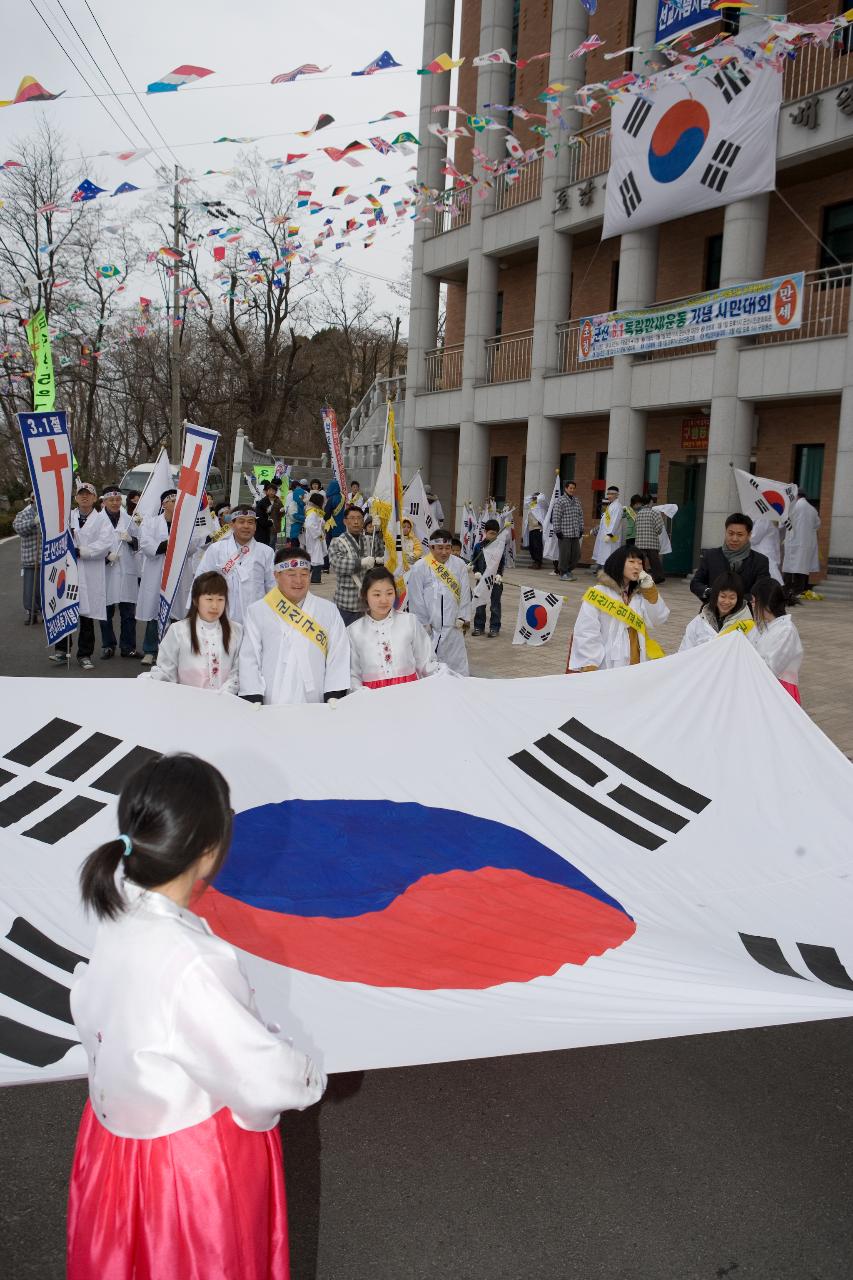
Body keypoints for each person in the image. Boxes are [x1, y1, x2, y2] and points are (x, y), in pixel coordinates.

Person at [67, 754, 325, 1280]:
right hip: (185, 1171)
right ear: (209, 852)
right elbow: (260, 1078)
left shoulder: (120, 917)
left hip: (112, 1147)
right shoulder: (194, 961)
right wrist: (307, 1077)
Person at [239, 546, 351, 705]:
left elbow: (338, 653)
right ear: (276, 575)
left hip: (316, 701)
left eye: (304, 574)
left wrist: (334, 693)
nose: (298, 581)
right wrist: (253, 695)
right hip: (270, 700)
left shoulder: (328, 610)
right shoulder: (257, 611)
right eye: (291, 575)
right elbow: (249, 657)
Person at [568, 545, 669, 672]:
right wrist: (590, 663)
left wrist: (650, 590)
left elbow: (658, 618)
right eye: (631, 561)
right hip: (607, 662)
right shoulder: (599, 592)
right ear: (619, 563)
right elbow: (586, 630)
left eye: (640, 563)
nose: (637, 566)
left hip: (635, 660)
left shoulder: (638, 595)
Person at [142, 571, 242, 692]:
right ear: (195, 600)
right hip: (187, 703)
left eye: (220, 599)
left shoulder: (236, 631)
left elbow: (238, 671)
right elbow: (166, 672)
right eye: (209, 599)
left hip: (225, 702)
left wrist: (222, 695)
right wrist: (147, 681)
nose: (215, 606)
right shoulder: (178, 631)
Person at [136, 489, 204, 666]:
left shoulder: (187, 524)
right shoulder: (150, 523)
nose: (175, 504)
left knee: (178, 613)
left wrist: (179, 545)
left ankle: (177, 650)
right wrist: (166, 545)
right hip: (157, 572)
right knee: (155, 612)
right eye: (171, 501)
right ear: (164, 504)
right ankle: (150, 650)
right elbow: (145, 544)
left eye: (177, 501)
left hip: (179, 574)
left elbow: (193, 547)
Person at [52, 482, 113, 670]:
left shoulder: (102, 520)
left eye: (89, 494)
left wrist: (82, 551)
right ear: (76, 498)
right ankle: (62, 650)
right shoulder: (67, 517)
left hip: (90, 571)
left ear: (95, 498)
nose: (85, 497)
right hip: (68, 571)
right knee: (65, 609)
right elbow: (56, 537)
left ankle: (84, 654)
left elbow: (105, 543)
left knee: (87, 615)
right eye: (81, 494)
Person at [348, 566, 441, 689]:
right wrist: (362, 694)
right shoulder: (354, 631)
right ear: (365, 595)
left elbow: (425, 661)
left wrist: (442, 678)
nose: (384, 600)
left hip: (410, 693)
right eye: (376, 594)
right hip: (372, 699)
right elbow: (353, 674)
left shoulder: (409, 621)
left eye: (389, 593)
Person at [193, 504, 275, 626]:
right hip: (221, 619)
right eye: (241, 522)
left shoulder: (266, 552)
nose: (246, 526)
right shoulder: (216, 549)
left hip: (256, 621)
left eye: (250, 522)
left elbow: (272, 586)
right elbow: (200, 582)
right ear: (232, 524)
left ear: (255, 526)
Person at [407, 529, 472, 676]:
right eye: (440, 548)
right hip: (430, 628)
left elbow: (465, 593)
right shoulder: (420, 566)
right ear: (431, 548)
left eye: (447, 548)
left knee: (457, 667)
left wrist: (463, 617)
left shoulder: (459, 564)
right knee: (429, 667)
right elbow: (416, 598)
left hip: (454, 626)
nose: (444, 552)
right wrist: (422, 623)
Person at [690, 512, 772, 603]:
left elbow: (762, 590)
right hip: (712, 611)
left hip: (746, 614)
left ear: (749, 535)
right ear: (725, 532)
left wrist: (735, 599)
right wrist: (709, 592)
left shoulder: (760, 561)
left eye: (740, 534)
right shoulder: (711, 555)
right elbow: (695, 583)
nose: (734, 539)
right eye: (731, 533)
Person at [100, 483, 140, 659]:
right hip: (106, 570)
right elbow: (90, 545)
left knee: (128, 613)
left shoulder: (129, 519)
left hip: (127, 570)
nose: (115, 503)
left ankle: (128, 647)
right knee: (106, 612)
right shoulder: (97, 520)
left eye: (117, 499)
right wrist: (105, 555)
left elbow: (141, 543)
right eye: (111, 500)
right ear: (104, 501)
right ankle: (108, 646)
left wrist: (131, 539)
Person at [752, 578, 804, 702]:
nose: (752, 605)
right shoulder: (762, 625)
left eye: (754, 601)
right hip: (762, 684)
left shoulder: (786, 630)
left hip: (779, 689)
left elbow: (772, 667)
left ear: (765, 603)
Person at [679, 572, 756, 650]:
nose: (726, 601)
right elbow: (684, 653)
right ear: (715, 595)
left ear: (738, 599)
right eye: (723, 596)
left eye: (732, 598)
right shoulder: (699, 622)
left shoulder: (747, 626)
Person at [329, 504, 376, 626]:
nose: (356, 522)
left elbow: (382, 558)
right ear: (345, 521)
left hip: (368, 601)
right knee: (346, 639)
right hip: (347, 601)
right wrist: (362, 562)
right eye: (352, 518)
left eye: (359, 518)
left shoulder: (370, 540)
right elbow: (338, 565)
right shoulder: (337, 542)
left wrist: (381, 529)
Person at [782, 490, 821, 596]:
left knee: (789, 566)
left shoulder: (793, 507)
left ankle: (786, 589)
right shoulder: (812, 509)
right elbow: (817, 524)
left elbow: (784, 521)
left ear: (797, 496)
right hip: (806, 543)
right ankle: (798, 590)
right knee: (802, 567)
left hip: (793, 541)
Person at [471, 518, 505, 638]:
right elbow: (473, 562)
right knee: (480, 604)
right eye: (491, 533)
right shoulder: (478, 547)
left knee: (495, 605)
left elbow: (501, 563)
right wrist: (476, 572)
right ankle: (479, 626)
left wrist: (499, 574)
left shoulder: (500, 547)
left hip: (495, 581)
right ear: (485, 532)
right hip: (481, 581)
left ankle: (494, 627)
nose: (493, 536)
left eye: (496, 534)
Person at [12, 492, 41, 624]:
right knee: (30, 590)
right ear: (31, 499)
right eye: (34, 497)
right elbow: (18, 528)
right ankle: (31, 613)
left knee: (46, 589)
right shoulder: (24, 513)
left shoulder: (49, 512)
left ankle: (47, 613)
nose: (37, 499)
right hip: (31, 558)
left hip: (48, 558)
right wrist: (33, 522)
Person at [552, 480, 584, 581]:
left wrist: (581, 529)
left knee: (576, 554)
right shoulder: (560, 501)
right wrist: (557, 531)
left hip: (575, 533)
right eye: (570, 488)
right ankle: (563, 572)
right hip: (564, 533)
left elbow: (580, 516)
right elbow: (556, 516)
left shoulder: (577, 500)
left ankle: (568, 570)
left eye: (574, 488)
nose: (572, 490)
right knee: (565, 555)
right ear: (566, 488)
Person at [633, 494, 666, 584]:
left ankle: (641, 578)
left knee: (640, 561)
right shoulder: (654, 513)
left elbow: (635, 526)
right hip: (651, 542)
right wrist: (655, 532)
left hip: (639, 542)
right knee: (654, 561)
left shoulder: (638, 514)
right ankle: (658, 577)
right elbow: (660, 527)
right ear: (651, 501)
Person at [590, 485, 623, 570]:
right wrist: (596, 530)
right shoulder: (610, 505)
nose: (609, 496)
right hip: (604, 536)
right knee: (603, 557)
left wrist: (610, 534)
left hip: (610, 537)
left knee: (609, 556)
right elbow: (604, 523)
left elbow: (615, 522)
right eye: (608, 494)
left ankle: (609, 576)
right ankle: (603, 574)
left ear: (617, 495)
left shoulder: (617, 506)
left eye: (612, 494)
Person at [750, 514, 783, 584]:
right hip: (769, 551)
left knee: (772, 574)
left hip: (763, 551)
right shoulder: (770, 516)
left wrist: (742, 537)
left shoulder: (764, 517)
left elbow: (754, 538)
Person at [302, 493, 327, 584]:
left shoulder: (314, 511)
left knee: (315, 557)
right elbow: (309, 525)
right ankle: (315, 579)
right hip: (315, 538)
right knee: (317, 558)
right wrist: (318, 533)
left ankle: (312, 578)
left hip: (316, 538)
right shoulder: (312, 513)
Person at [254, 481, 278, 547]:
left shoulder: (277, 500)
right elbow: (260, 518)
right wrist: (270, 522)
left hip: (272, 527)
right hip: (263, 529)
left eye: (273, 491)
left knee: (271, 545)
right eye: (270, 490)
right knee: (263, 546)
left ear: (276, 492)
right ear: (267, 491)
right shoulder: (262, 502)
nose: (271, 492)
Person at [525, 493, 543, 570]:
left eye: (535, 497)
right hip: (531, 528)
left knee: (537, 546)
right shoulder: (531, 505)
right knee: (531, 546)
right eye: (533, 497)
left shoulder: (541, 505)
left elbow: (542, 498)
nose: (533, 498)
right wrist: (532, 496)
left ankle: (538, 562)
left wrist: (537, 497)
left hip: (537, 528)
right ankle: (535, 561)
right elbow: (526, 500)